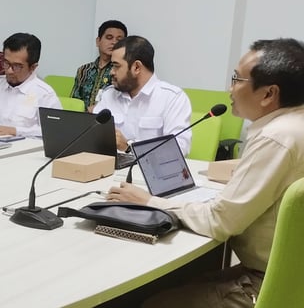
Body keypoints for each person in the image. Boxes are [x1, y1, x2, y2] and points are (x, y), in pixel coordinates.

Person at [108, 38, 304, 308]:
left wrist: (149, 201)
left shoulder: (276, 137)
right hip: (289, 273)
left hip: (268, 283)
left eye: (236, 79)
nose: (230, 89)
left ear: (269, 94)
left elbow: (220, 222)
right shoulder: (295, 124)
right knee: (179, 281)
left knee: (152, 302)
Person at [95, 35, 192, 155]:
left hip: (150, 166)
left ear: (136, 67)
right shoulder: (109, 95)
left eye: (116, 66)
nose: (112, 72)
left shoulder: (172, 98)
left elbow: (179, 148)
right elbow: (93, 135)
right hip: (108, 164)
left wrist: (129, 147)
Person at [0, 33, 61, 137]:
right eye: (6, 63)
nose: (9, 71)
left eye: (17, 66)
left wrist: (16, 131)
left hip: (26, 146)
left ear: (33, 67)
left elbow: (54, 131)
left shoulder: (44, 94)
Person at [71, 20, 128, 111]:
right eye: (109, 37)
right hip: (82, 117)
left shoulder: (124, 71)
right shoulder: (84, 70)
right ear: (98, 41)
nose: (114, 42)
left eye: (119, 40)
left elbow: (125, 104)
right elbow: (74, 102)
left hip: (110, 118)